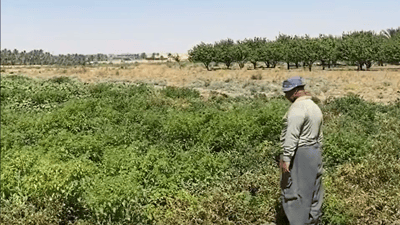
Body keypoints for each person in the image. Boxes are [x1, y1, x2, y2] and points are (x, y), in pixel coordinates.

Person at [279, 76, 324, 225]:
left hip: (301, 153)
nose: (286, 96)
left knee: (295, 193)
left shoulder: (297, 109)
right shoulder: (314, 106)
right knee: (314, 193)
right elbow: (320, 135)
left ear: (296, 91)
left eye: (288, 92)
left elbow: (292, 135)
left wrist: (286, 158)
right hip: (315, 152)